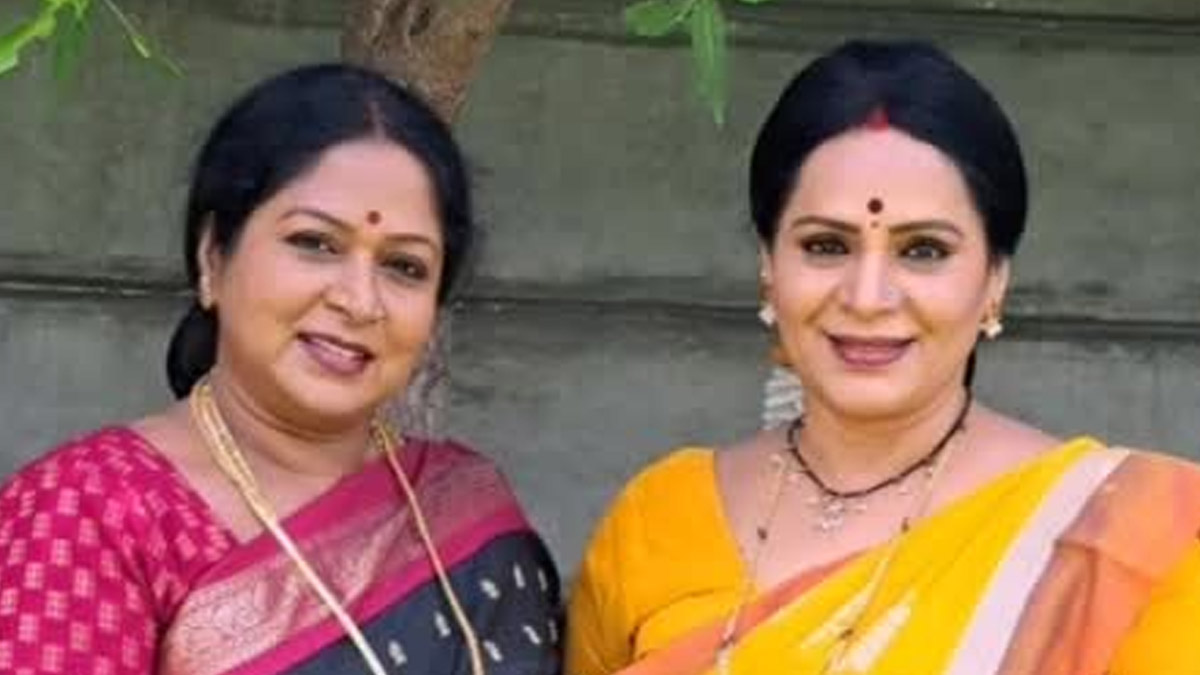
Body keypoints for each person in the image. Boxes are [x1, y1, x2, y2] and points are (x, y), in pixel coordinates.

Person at [565, 40, 1200, 675]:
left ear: (995, 280)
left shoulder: (1128, 536)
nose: (867, 298)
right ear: (768, 265)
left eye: (923, 251)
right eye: (825, 245)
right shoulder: (658, 519)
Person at [0, 64, 561, 675]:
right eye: (315, 243)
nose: (359, 301)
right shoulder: (90, 510)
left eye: (404, 266)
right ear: (213, 256)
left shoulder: (461, 507)